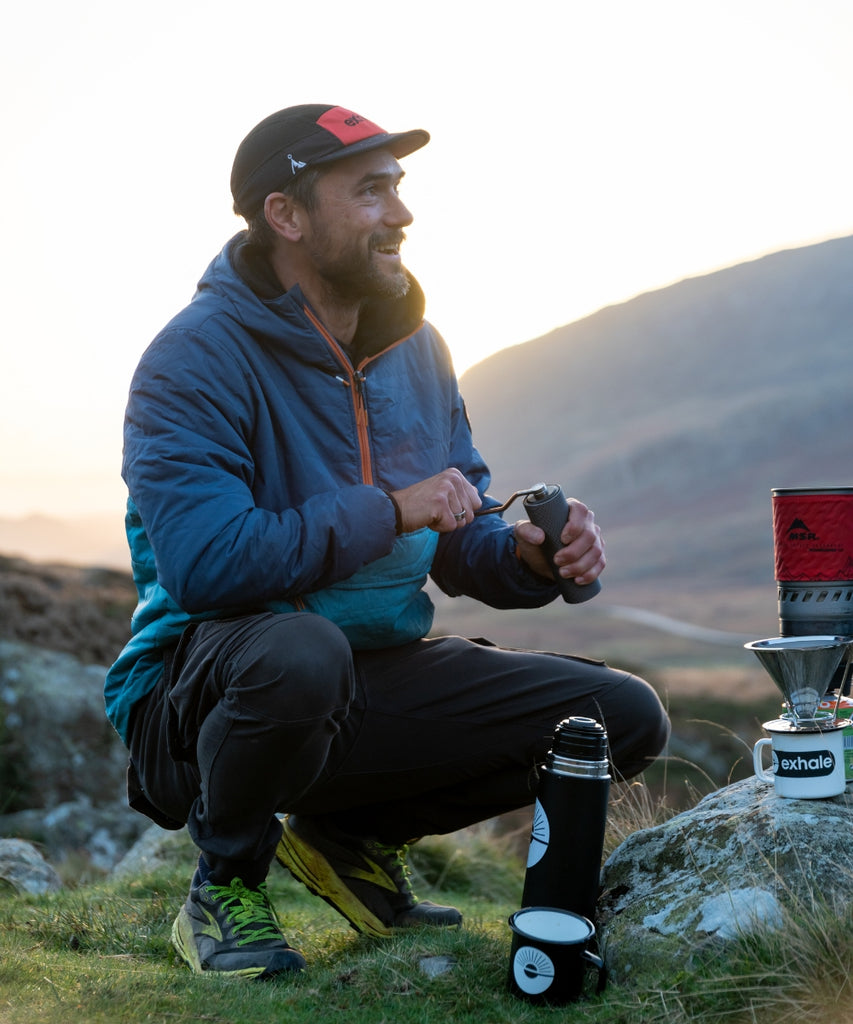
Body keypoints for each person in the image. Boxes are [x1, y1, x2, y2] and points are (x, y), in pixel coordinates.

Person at [105, 103, 669, 980]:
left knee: (618, 718)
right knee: (298, 651)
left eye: (398, 189)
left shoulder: (419, 347)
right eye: (369, 192)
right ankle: (223, 886)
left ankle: (350, 836)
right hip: (201, 695)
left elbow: (459, 521)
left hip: (363, 680)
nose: (400, 214)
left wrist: (523, 557)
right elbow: (207, 564)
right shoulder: (193, 358)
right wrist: (389, 509)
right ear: (285, 215)